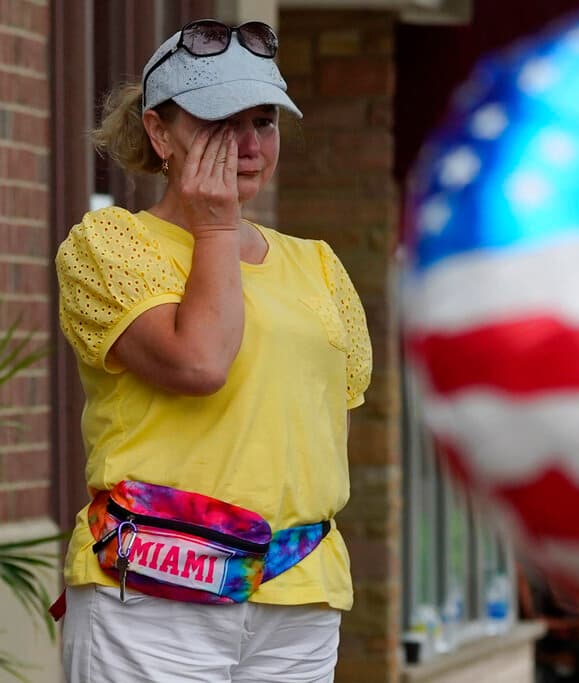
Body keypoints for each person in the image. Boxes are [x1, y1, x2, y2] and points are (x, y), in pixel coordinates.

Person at [53, 19, 371, 682]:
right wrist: (218, 225)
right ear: (159, 133)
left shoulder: (318, 265)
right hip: (151, 593)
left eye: (265, 120)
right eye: (220, 121)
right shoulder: (107, 244)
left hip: (298, 595)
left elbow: (320, 431)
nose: (248, 144)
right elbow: (199, 363)